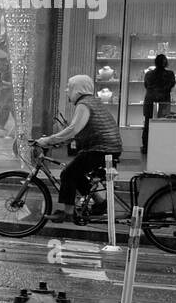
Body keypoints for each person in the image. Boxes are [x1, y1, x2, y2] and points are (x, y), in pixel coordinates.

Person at [36, 74, 122, 223]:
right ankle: (100, 202)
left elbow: (73, 129)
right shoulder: (93, 102)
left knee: (68, 174)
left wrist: (48, 140)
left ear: (78, 89)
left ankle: (67, 213)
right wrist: (59, 141)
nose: (66, 90)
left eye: (69, 87)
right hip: (108, 147)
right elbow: (78, 130)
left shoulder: (84, 104)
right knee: (76, 172)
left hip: (101, 149)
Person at [142, 53, 176, 156]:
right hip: (163, 103)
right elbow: (171, 86)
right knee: (163, 125)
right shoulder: (170, 74)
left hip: (150, 102)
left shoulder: (148, 74)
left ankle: (146, 148)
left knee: (148, 125)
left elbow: (146, 85)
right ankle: (162, 146)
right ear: (166, 63)